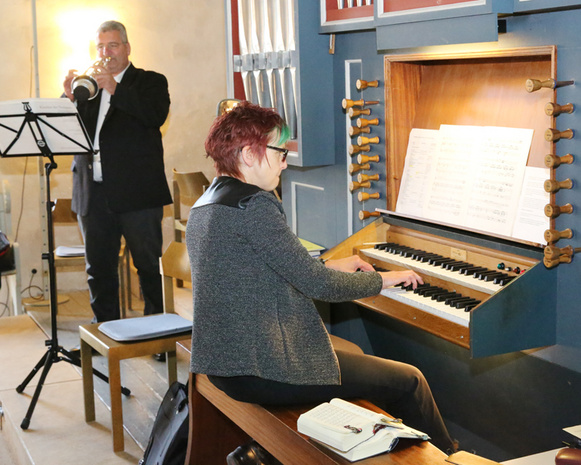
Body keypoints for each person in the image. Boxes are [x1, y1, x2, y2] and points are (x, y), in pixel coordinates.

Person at [186, 101, 455, 452]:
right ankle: (452, 457)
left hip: (226, 364)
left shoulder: (207, 203)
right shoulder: (254, 205)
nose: (284, 161)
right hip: (264, 369)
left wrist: (330, 265)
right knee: (409, 381)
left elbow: (259, 272)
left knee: (356, 357)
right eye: (279, 151)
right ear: (250, 154)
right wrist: (385, 280)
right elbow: (317, 286)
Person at [62, 20, 172, 323]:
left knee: (149, 267)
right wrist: (69, 99)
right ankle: (105, 334)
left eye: (111, 45)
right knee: (98, 270)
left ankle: (157, 335)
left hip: (137, 194)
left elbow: (154, 116)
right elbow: (64, 130)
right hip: (93, 194)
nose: (105, 52)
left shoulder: (150, 81)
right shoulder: (88, 87)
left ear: (126, 48)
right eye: (100, 46)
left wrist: (115, 87)